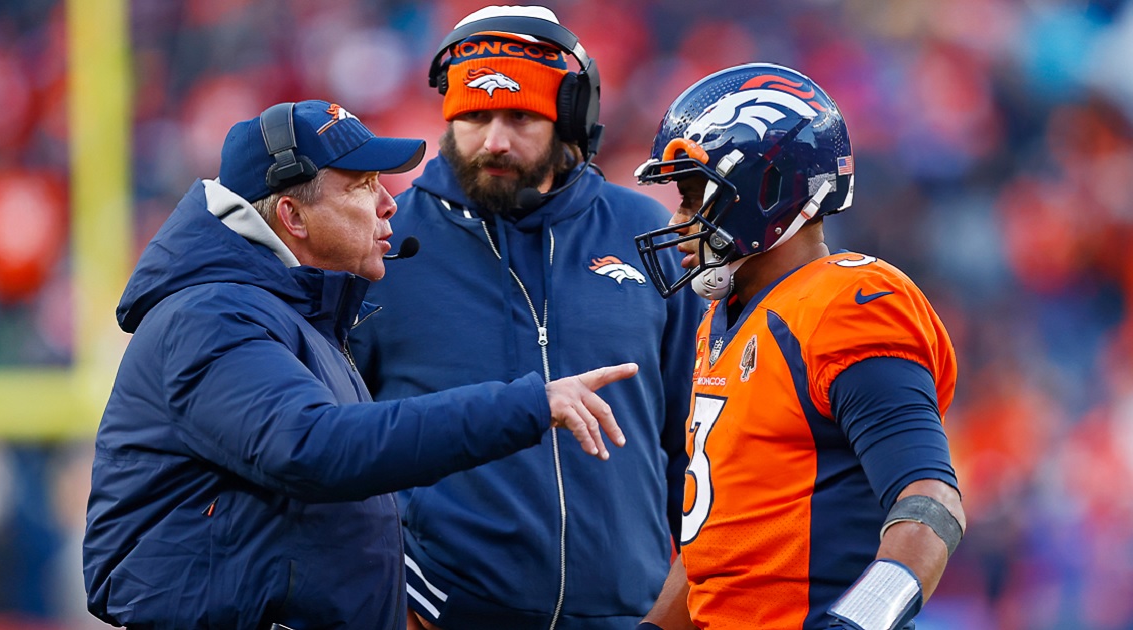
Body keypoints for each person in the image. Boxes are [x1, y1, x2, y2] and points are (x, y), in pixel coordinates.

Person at [82, 99, 640, 630]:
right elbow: (315, 447)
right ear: (293, 216)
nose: (388, 203)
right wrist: (527, 404)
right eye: (363, 186)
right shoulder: (212, 314)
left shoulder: (289, 315)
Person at [348, 6, 703, 630]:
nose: (495, 141)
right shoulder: (382, 244)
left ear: (570, 122)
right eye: (475, 116)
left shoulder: (647, 234)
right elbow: (335, 446)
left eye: (521, 117)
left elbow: (694, 443)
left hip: (631, 617)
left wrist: (676, 609)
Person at [631, 63, 966, 630]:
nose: (678, 219)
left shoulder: (848, 303)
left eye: (693, 197)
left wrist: (859, 620)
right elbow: (718, 546)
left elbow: (931, 503)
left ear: (764, 191)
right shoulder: (721, 319)